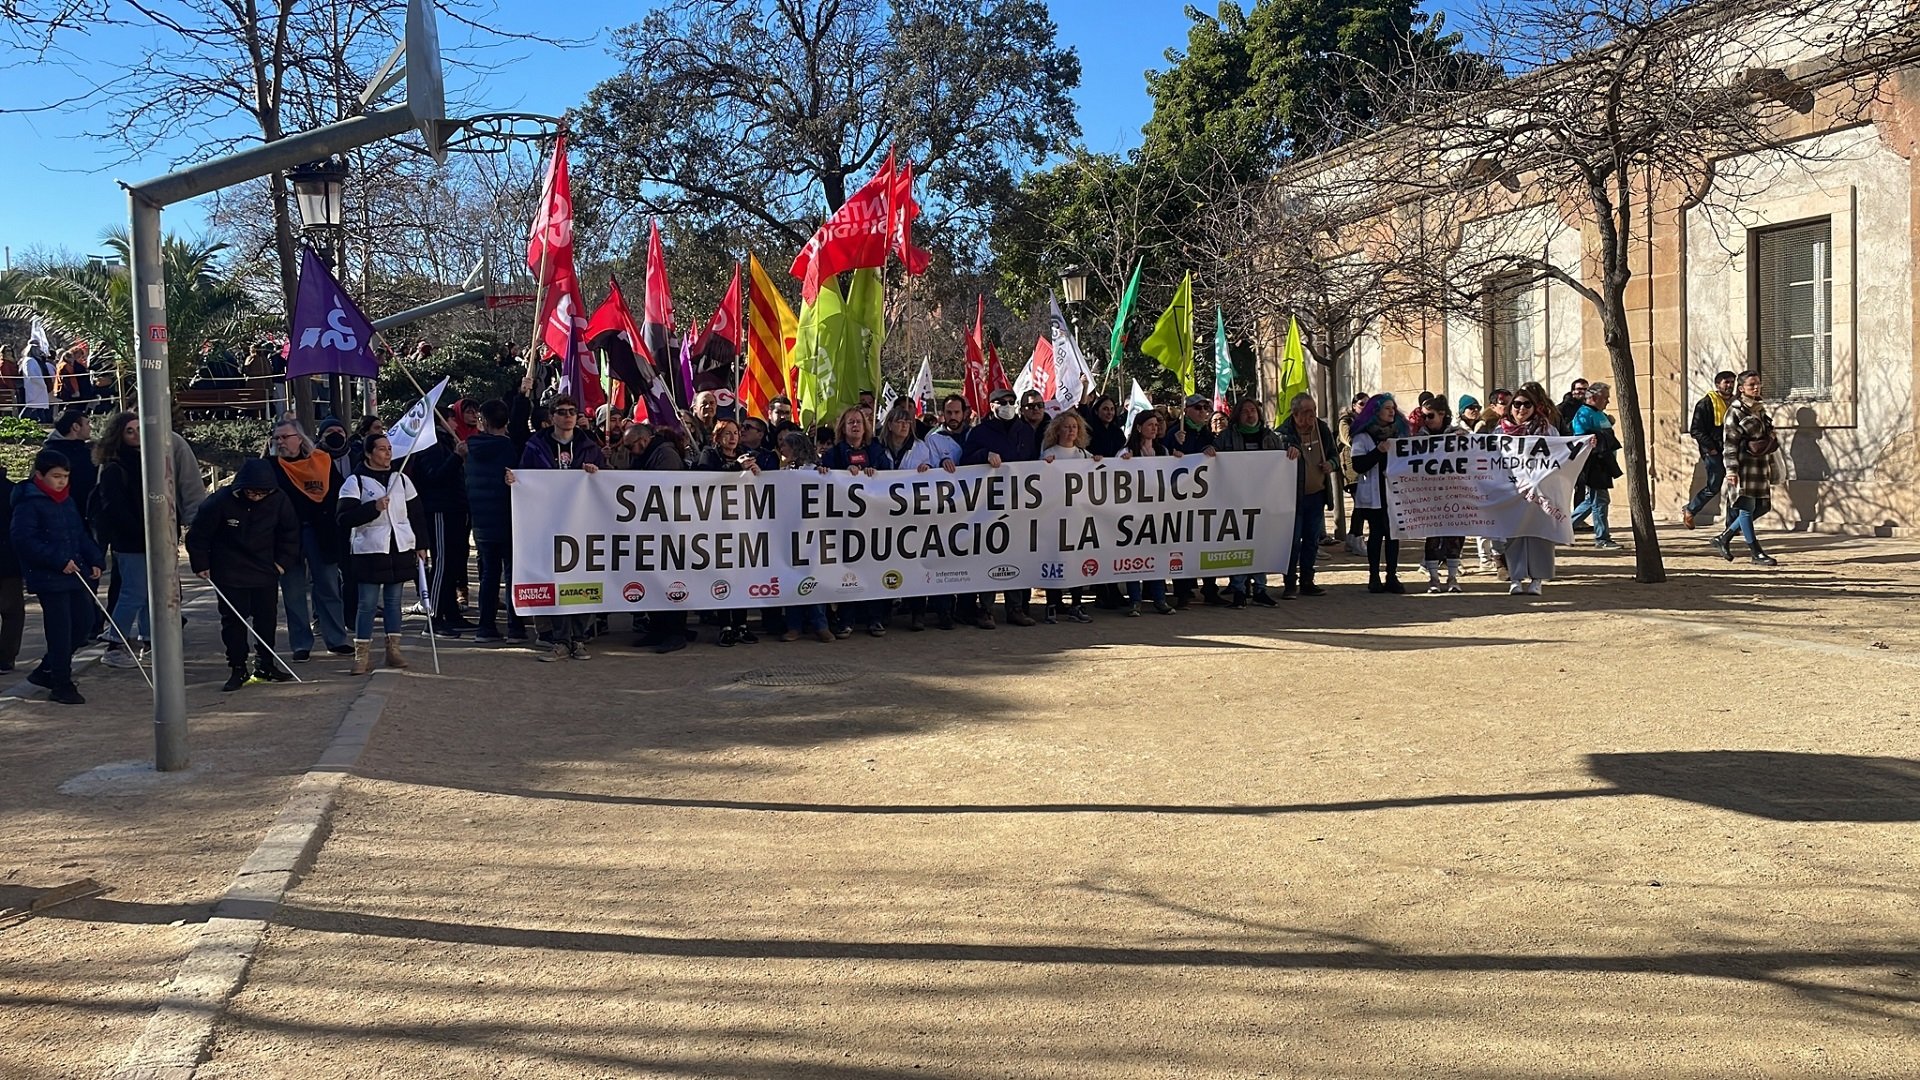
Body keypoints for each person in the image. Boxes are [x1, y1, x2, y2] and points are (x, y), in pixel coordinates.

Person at [186, 458, 300, 691]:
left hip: (265, 569)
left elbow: (290, 533)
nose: (256, 496)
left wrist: (281, 564)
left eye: (262, 493)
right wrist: (201, 564)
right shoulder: (219, 501)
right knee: (234, 622)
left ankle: (265, 664)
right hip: (229, 570)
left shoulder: (279, 500)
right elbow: (198, 535)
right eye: (251, 492)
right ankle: (238, 667)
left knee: (267, 620)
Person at [512, 395, 605, 659]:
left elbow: (608, 478)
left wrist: (597, 473)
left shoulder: (589, 446)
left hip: (583, 524)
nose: (567, 416)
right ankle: (561, 639)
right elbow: (525, 477)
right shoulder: (535, 446)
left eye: (572, 412)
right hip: (548, 525)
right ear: (552, 416)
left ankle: (579, 638)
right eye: (561, 412)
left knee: (583, 580)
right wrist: (514, 480)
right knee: (556, 580)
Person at [8, 450, 104, 704]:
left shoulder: (67, 501)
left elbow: (79, 534)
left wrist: (94, 558)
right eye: (56, 476)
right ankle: (61, 682)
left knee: (84, 623)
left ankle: (46, 670)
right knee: (60, 631)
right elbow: (23, 539)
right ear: (39, 475)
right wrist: (57, 560)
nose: (61, 481)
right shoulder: (29, 503)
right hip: (50, 577)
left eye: (65, 476)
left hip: (75, 573)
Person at [267, 419, 352, 661]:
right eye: (277, 438)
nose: (281, 442)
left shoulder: (322, 461)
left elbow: (340, 493)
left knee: (328, 586)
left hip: (321, 533)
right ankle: (300, 644)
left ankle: (336, 640)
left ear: (299, 438)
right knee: (293, 591)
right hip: (286, 537)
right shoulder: (270, 466)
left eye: (286, 437)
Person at [338, 434, 422, 675]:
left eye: (389, 449)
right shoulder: (355, 482)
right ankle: (361, 655)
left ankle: (393, 651)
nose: (388, 454)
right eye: (382, 449)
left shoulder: (402, 479)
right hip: (369, 550)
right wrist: (372, 509)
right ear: (368, 453)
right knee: (367, 604)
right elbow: (343, 518)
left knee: (394, 602)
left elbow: (416, 514)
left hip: (399, 547)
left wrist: (421, 544)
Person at [961, 389, 1041, 628]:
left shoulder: (1025, 431)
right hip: (989, 504)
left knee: (1017, 554)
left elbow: (1033, 461)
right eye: (1002, 402)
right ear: (992, 405)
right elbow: (965, 461)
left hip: (1019, 502)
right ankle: (985, 609)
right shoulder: (979, 432)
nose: (1008, 406)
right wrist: (984, 454)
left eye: (1011, 402)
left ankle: (1015, 607)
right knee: (990, 555)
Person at [820, 407, 895, 637]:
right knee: (847, 570)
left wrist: (876, 472)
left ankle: (875, 619)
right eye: (850, 422)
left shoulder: (876, 450)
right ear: (843, 427)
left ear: (866, 426)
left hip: (873, 521)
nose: (855, 426)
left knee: (872, 568)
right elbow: (825, 475)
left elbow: (890, 474)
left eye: (859, 422)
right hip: (845, 523)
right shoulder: (834, 452)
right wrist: (837, 471)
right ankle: (846, 620)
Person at [689, 419, 761, 646]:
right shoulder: (709, 455)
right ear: (718, 437)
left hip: (742, 524)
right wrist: (736, 469)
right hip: (717, 525)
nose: (733, 438)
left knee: (742, 575)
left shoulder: (746, 455)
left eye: (736, 433)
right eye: (727, 434)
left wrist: (757, 473)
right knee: (722, 576)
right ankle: (725, 626)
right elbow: (706, 479)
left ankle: (741, 624)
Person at [89, 412, 151, 668]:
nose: (136, 434)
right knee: (134, 592)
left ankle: (150, 639)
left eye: (139, 429)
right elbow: (114, 508)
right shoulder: (115, 469)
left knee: (151, 593)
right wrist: (139, 531)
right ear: (119, 435)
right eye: (129, 430)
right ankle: (115, 642)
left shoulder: (150, 460)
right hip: (131, 541)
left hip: (153, 538)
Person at [407, 404, 472, 637]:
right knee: (442, 563)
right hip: (439, 510)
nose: (456, 424)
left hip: (454, 508)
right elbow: (434, 476)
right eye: (451, 419)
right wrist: (456, 457)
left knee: (454, 563)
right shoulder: (430, 445)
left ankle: (451, 612)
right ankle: (433, 617)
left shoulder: (445, 441)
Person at [464, 399, 524, 643]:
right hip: (510, 518)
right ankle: (516, 627)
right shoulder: (511, 448)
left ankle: (486, 627)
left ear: (483, 421)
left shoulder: (470, 449)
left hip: (481, 521)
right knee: (512, 574)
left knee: (488, 574)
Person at [1710, 371, 1780, 566]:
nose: (1756, 387)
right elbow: (1730, 444)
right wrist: (1731, 470)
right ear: (1741, 389)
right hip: (1744, 467)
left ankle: (1724, 537)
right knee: (1746, 508)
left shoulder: (1760, 409)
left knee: (1762, 506)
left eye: (1758, 384)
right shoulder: (1735, 411)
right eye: (1751, 385)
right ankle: (1756, 553)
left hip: (1761, 465)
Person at [1499, 385, 1561, 594]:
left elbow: (1562, 454)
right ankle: (1515, 578)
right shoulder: (1500, 430)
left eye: (1527, 404)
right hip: (1511, 491)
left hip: (1540, 492)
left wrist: (1585, 443)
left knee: (1539, 536)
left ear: (1535, 407)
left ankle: (1537, 580)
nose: (1521, 408)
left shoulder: (1548, 431)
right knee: (1513, 536)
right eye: (1517, 404)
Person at [1039, 409, 1099, 624]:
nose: (1071, 431)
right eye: (1067, 427)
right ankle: (1052, 604)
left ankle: (1076, 604)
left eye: (1074, 427)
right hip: (1055, 518)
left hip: (1078, 518)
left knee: (1077, 561)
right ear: (1057, 429)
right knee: (1054, 560)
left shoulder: (1084, 455)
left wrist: (1099, 462)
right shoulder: (1049, 453)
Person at [1276, 393, 1337, 599]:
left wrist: (1331, 465)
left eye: (1314, 411)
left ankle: (1308, 581)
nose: (1312, 416)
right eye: (1307, 412)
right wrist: (1288, 449)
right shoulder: (1283, 433)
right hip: (1293, 498)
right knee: (1292, 542)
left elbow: (1334, 455)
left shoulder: (1322, 429)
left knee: (1312, 540)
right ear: (1295, 414)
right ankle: (1290, 583)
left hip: (1317, 495)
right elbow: (1276, 455)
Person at [775, 430, 833, 643]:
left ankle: (821, 624)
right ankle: (794, 626)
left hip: (813, 532)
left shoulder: (815, 470)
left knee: (815, 577)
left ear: (796, 448)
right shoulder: (781, 471)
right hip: (788, 533)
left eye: (785, 445)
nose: (782, 449)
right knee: (791, 578)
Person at [1347, 393, 1408, 593]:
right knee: (1376, 534)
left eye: (1393, 408)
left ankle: (1392, 575)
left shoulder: (1398, 434)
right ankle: (1374, 576)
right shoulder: (1362, 437)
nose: (1392, 411)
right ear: (1376, 412)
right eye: (1387, 408)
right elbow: (1358, 465)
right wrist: (1378, 451)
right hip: (1374, 493)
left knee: (1393, 535)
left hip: (1394, 492)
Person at [1119, 412, 1176, 616]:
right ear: (1138, 427)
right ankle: (1135, 601)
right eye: (1150, 424)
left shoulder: (1163, 450)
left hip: (1158, 512)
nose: (1154, 428)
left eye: (1156, 424)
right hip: (1133, 513)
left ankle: (1160, 599)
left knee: (1158, 555)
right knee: (1134, 558)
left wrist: (1177, 460)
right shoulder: (1127, 451)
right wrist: (1123, 462)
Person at [1413, 398, 1469, 591]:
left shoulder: (1456, 434)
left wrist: (1466, 440)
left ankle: (1453, 578)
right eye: (1423, 416)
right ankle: (1434, 579)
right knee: (1433, 537)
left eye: (1430, 416)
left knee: (1454, 536)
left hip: (1454, 494)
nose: (1426, 420)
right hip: (1430, 495)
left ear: (1442, 414)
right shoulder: (1419, 437)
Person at [1569, 381, 1623, 549]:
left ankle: (1562, 528)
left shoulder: (1599, 413)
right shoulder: (1583, 414)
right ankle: (1602, 538)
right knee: (1600, 500)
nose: (1608, 401)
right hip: (1594, 463)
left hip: (1605, 463)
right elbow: (1581, 438)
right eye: (1605, 398)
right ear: (1593, 397)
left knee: (1591, 500)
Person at [1682, 370, 1736, 529]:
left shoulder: (1735, 403)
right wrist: (1711, 448)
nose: (1729, 385)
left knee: (1734, 487)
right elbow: (1696, 430)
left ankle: (1731, 526)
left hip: (1731, 450)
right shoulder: (1705, 403)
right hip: (1713, 453)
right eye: (1726, 382)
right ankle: (1691, 510)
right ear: (1718, 384)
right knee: (1714, 486)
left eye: (1732, 382)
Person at [1337, 391, 1369, 554]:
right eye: (1362, 404)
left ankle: (1353, 536)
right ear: (1354, 406)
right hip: (1351, 466)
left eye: (1367, 404)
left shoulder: (1370, 421)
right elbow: (1347, 438)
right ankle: (1356, 537)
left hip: (1365, 465)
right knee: (1360, 502)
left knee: (1362, 504)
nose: (1365, 407)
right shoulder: (1346, 421)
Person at [20, 343, 56, 423]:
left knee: (39, 406)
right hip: (35, 387)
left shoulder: (34, 360)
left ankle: (44, 422)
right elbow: (32, 375)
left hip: (38, 387)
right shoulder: (29, 361)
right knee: (32, 406)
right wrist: (41, 384)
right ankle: (21, 420)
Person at [0, 343, 19, 412]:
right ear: (3, 352)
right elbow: (6, 378)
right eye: (7, 351)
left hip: (13, 385)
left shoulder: (11, 362)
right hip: (6, 389)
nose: (9, 353)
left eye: (10, 351)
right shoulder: (4, 363)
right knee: (8, 408)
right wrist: (12, 388)